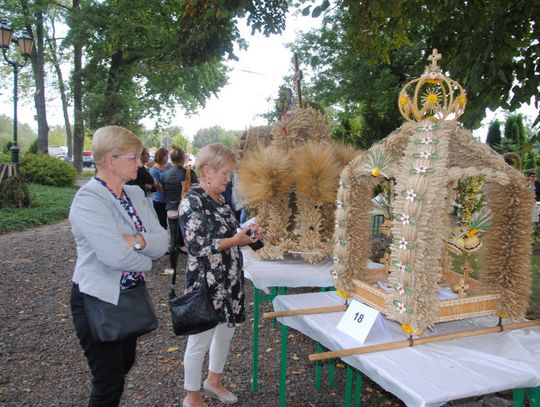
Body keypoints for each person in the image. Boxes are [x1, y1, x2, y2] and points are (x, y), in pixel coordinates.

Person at [69, 125, 168, 406]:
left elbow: (163, 241)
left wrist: (134, 240)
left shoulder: (135, 195)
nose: (140, 163)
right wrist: (146, 260)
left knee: (122, 367)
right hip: (97, 299)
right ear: (110, 160)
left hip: (129, 296)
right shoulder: (89, 200)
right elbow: (113, 256)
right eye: (133, 158)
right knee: (108, 382)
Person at [178, 143, 262, 407]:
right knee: (199, 341)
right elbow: (195, 245)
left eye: (230, 174)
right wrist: (234, 240)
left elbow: (232, 234)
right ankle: (192, 396)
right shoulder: (192, 201)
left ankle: (213, 381)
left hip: (229, 280)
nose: (229, 180)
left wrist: (250, 237)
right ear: (207, 171)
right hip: (206, 283)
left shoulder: (220, 200)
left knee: (225, 334)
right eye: (225, 174)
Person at [162, 145, 198, 274]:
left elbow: (163, 190)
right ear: (183, 158)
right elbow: (195, 190)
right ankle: (192, 265)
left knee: (173, 239)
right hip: (186, 209)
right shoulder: (189, 173)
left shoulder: (164, 173)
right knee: (189, 237)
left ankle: (172, 267)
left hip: (171, 209)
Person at [149, 147, 169, 229]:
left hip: (169, 199)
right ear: (161, 157)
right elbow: (158, 187)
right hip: (159, 201)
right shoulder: (154, 171)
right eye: (166, 156)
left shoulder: (169, 167)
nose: (168, 158)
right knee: (162, 223)